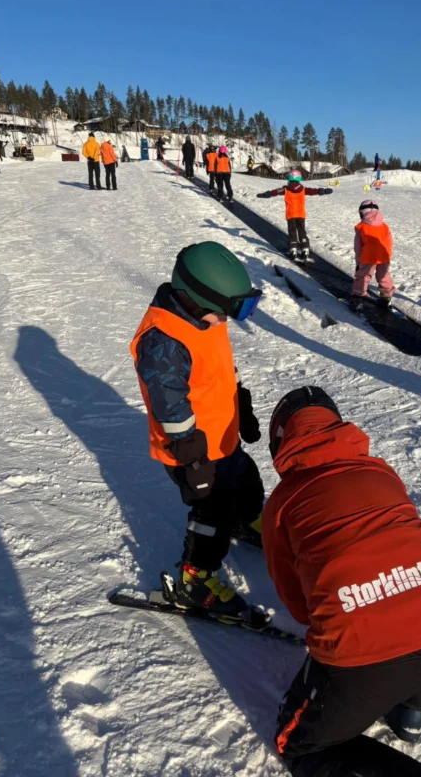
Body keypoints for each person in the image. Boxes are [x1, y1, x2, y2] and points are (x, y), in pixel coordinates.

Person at [263, 386, 421, 777]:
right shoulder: (379, 469)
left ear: (280, 441)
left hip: (364, 659)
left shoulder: (283, 501)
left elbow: (298, 603)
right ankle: (414, 709)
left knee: (297, 744)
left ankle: (395, 701)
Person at [130, 242, 265, 617]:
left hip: (222, 438)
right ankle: (195, 578)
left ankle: (249, 520)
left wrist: (241, 403)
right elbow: (170, 407)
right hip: (192, 451)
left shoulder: (204, 316)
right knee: (211, 514)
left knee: (248, 480)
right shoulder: (163, 342)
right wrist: (191, 461)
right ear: (193, 300)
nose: (225, 321)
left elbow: (218, 369)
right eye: (223, 311)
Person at [256, 170, 333, 260]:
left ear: (290, 178)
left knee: (292, 232)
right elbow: (313, 191)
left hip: (291, 215)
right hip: (301, 215)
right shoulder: (303, 189)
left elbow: (275, 192)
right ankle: (305, 249)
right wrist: (323, 191)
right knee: (302, 232)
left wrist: (266, 194)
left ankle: (293, 250)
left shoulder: (286, 189)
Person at [350, 199, 396, 312]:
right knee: (384, 276)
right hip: (384, 255)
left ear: (362, 213)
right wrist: (388, 254)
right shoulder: (384, 226)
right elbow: (390, 240)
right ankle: (386, 298)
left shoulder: (362, 227)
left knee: (363, 275)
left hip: (368, 255)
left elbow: (358, 247)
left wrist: (358, 262)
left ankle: (357, 296)